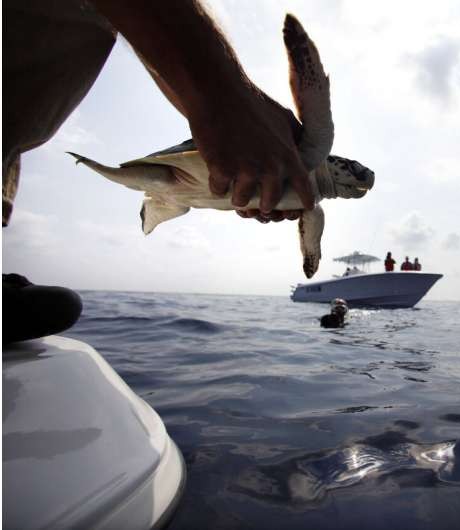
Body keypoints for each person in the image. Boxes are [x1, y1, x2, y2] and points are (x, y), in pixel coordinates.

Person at [3, 0, 315, 343]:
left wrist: (219, 104)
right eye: (355, 172)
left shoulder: (309, 198)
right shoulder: (315, 148)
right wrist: (229, 97)